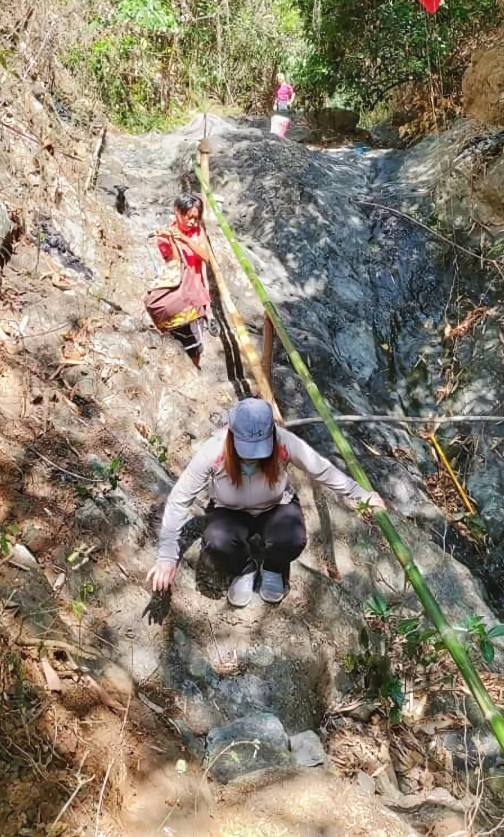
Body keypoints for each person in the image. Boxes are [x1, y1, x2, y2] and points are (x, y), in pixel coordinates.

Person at [147, 397, 385, 607]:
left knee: (293, 538)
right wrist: (167, 556)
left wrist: (361, 495)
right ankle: (243, 568)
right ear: (231, 435)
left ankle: (273, 567)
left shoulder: (284, 442)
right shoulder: (215, 450)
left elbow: (321, 470)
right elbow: (180, 498)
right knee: (217, 541)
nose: (251, 456)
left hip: (276, 506)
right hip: (228, 511)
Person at [152, 194, 212, 369]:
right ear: (177, 212)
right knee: (177, 335)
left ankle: (194, 369)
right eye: (189, 216)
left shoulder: (197, 232)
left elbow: (205, 256)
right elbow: (173, 264)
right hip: (178, 293)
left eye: (196, 217)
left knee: (196, 343)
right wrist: (172, 239)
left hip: (196, 292)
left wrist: (184, 238)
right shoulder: (164, 235)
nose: (193, 222)